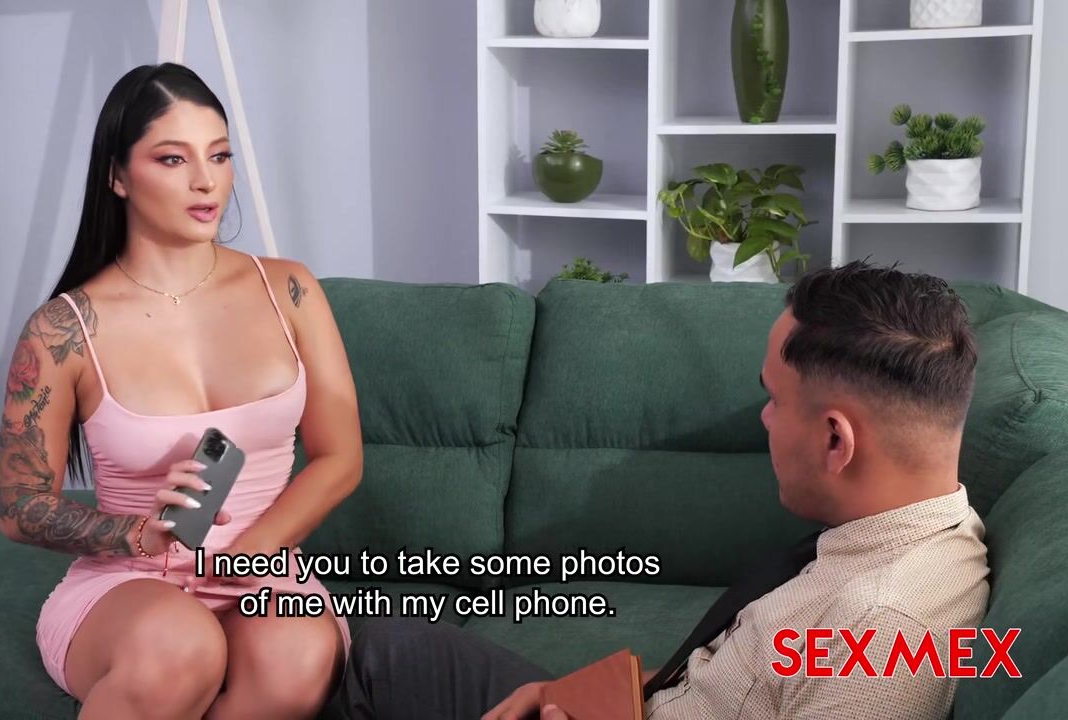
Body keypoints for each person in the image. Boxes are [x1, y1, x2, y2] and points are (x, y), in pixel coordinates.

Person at [337, 260, 990, 720]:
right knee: (391, 652)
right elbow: (738, 680)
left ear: (834, 440)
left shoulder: (879, 634)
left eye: (773, 400)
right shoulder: (894, 531)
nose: (763, 419)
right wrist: (575, 694)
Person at [0, 62, 363, 719]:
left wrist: (253, 552)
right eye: (172, 159)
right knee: (182, 646)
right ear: (117, 175)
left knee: (297, 656)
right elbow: (19, 506)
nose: (205, 181)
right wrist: (139, 534)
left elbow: (341, 457)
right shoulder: (63, 329)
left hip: (262, 568)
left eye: (219, 156)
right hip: (130, 583)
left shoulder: (291, 290)